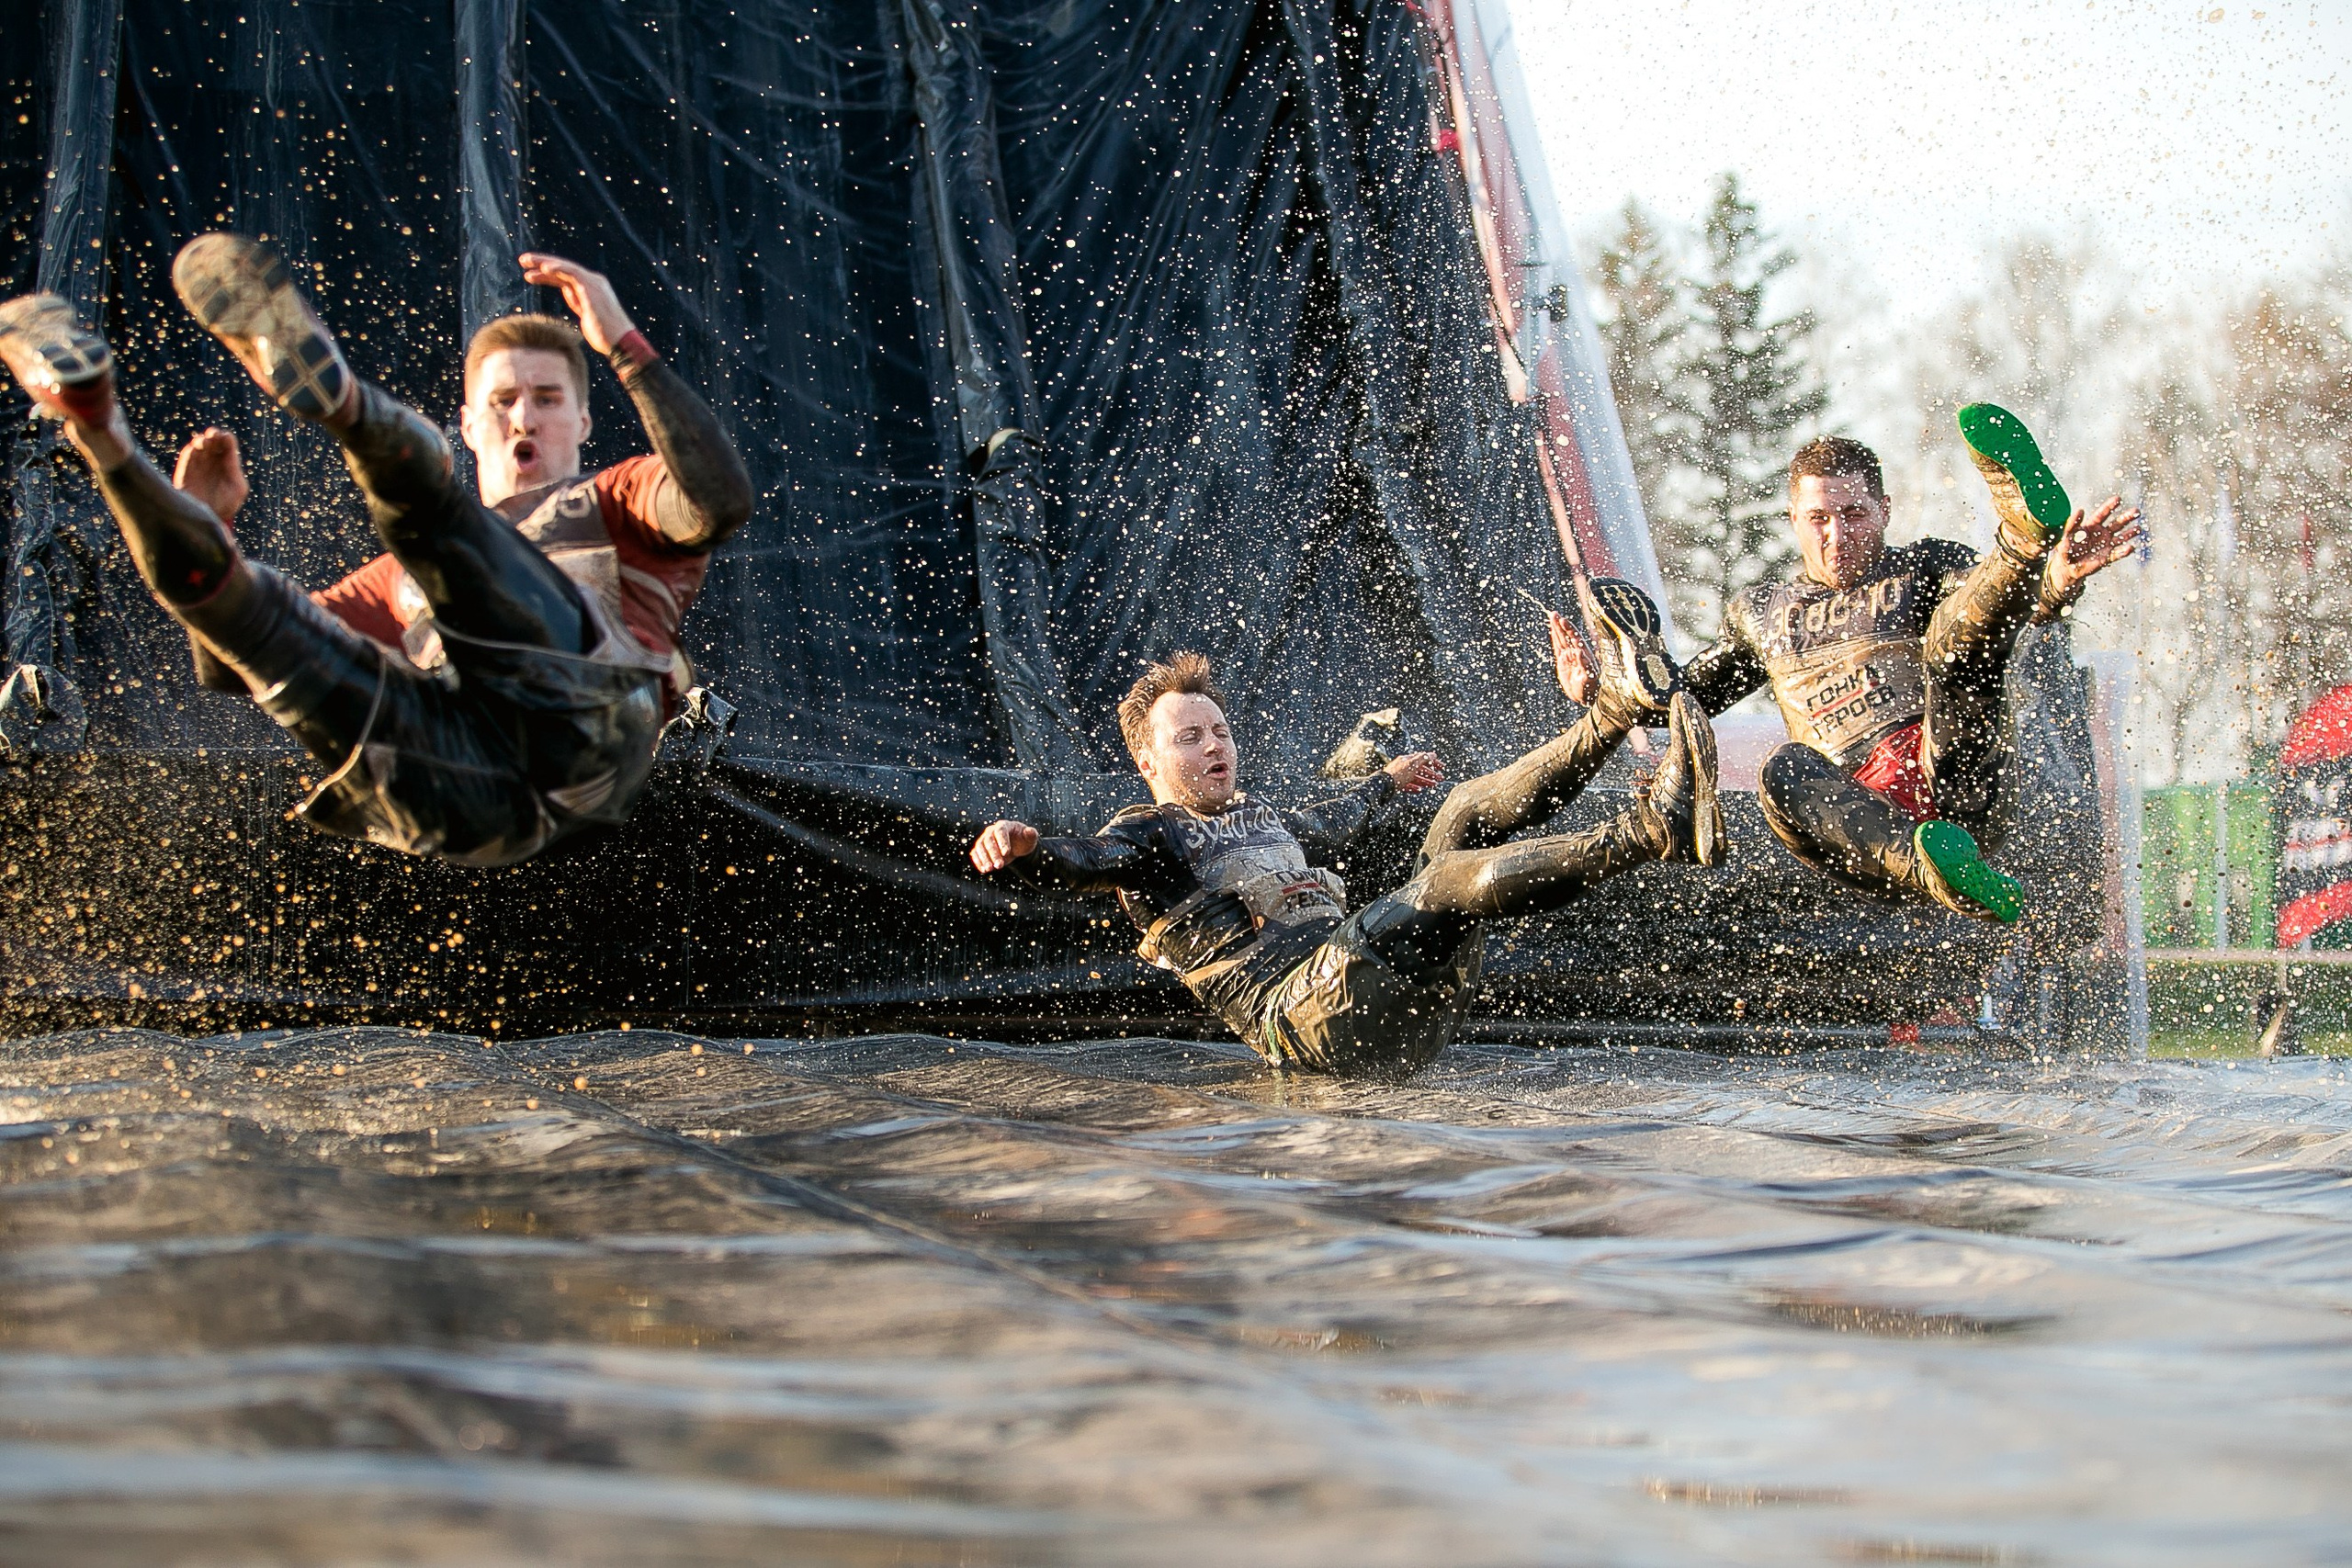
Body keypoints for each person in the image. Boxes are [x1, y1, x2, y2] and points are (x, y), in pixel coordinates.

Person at [0, 236, 751, 864]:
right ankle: (100, 433)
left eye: (548, 398)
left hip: (586, 743)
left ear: (586, 418)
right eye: (503, 399)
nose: (524, 415)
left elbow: (719, 501)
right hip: (464, 801)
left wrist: (622, 340)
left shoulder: (621, 499)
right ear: (469, 420)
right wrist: (208, 530)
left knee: (442, 527)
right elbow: (230, 665)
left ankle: (356, 416)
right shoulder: (396, 579)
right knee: (253, 617)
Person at [967, 585, 1722, 1078]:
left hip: (1385, 999)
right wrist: (1028, 847)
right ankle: (1652, 827)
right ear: (1146, 758)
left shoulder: (1257, 818)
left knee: (1458, 813)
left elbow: (1330, 818)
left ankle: (1613, 713)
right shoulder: (1151, 835)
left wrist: (1385, 784)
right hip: (1306, 1018)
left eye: (1220, 731)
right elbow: (1087, 859)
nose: (1214, 747)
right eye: (1189, 737)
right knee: (1441, 884)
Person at [1673, 414, 2141, 921]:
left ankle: (2023, 539)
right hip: (1864, 834)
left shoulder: (1924, 568)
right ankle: (1933, 865)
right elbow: (1676, 696)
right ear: (1793, 519)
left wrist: (2053, 580)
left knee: (1955, 649)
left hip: (1957, 787)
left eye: (1854, 514)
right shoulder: (1761, 613)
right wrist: (1601, 689)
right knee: (1783, 766)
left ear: (1885, 511)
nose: (1837, 535)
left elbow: (1993, 614)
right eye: (1819, 519)